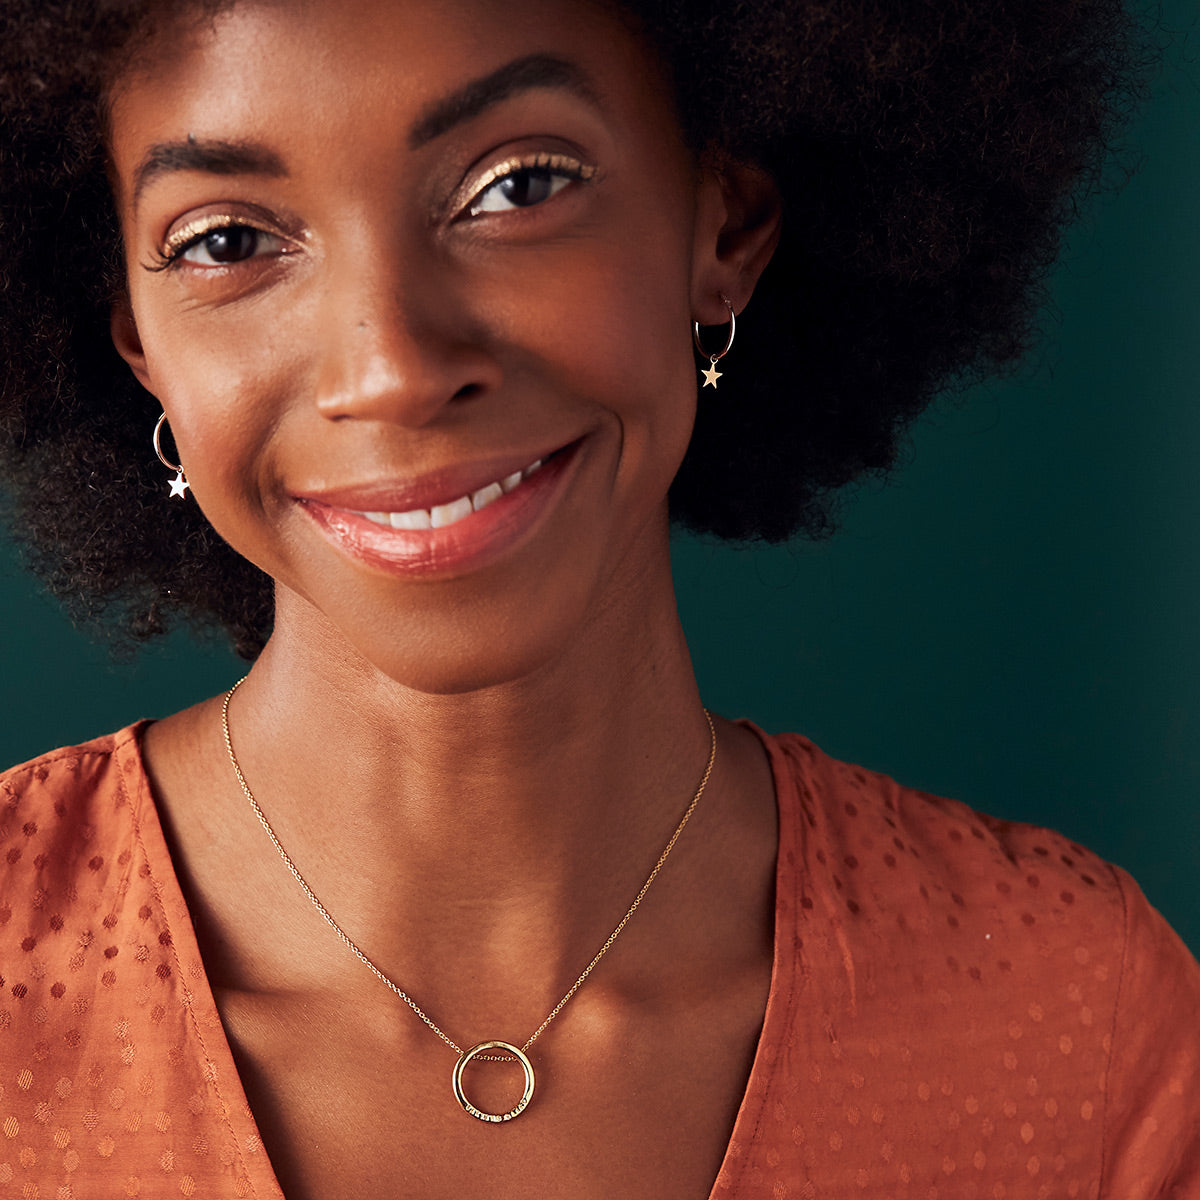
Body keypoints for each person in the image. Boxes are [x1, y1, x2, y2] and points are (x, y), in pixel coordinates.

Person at [0, 0, 1196, 1196]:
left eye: (517, 187)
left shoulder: (1068, 1018)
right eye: (224, 242)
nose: (395, 370)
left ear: (721, 225)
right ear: (141, 345)